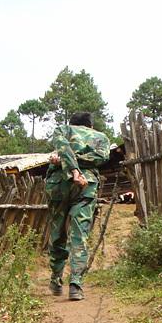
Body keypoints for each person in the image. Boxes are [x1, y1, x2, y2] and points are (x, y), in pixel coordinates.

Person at [46, 112, 111, 300]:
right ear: (90, 125)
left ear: (71, 123)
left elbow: (62, 148)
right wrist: (80, 163)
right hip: (86, 186)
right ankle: (76, 285)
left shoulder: (62, 130)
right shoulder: (101, 137)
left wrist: (66, 160)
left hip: (58, 184)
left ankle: (56, 280)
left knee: (57, 231)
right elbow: (101, 158)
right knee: (79, 233)